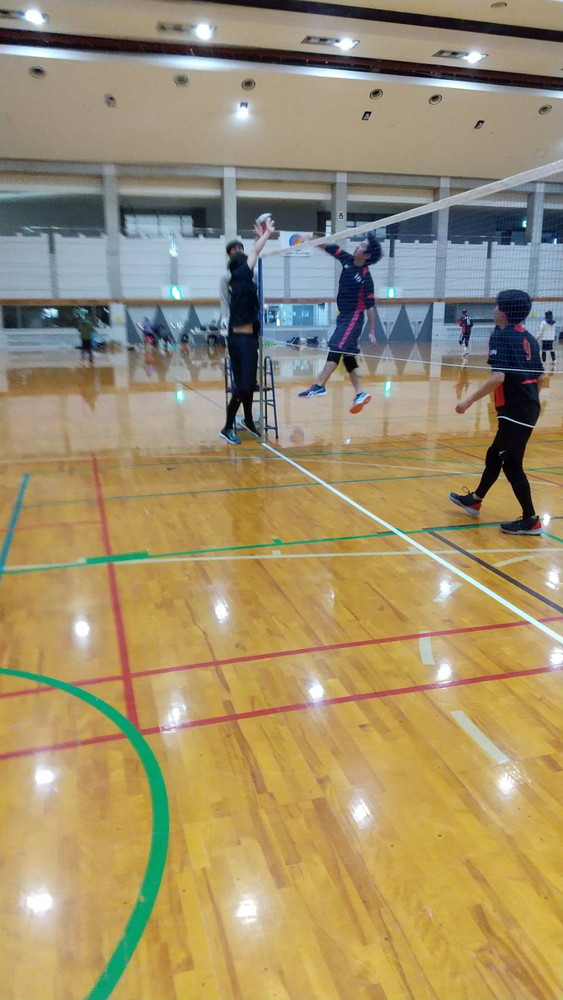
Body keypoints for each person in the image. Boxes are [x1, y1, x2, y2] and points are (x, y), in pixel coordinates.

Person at [449, 289, 544, 535]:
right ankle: (475, 500)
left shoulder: (501, 336)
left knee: (512, 465)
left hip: (516, 410)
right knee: (494, 455)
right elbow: (540, 377)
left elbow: (498, 377)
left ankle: (531, 520)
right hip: (526, 408)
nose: (494, 309)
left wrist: (467, 401)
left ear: (503, 311)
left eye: (496, 305)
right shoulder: (529, 338)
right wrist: (530, 403)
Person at [298, 233, 382, 413]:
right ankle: (360, 393)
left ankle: (319, 385)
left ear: (367, 255)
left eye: (362, 246)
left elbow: (370, 308)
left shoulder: (366, 279)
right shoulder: (347, 259)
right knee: (348, 356)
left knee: (336, 347)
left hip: (353, 317)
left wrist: (372, 331)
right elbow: (329, 247)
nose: (357, 246)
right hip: (343, 316)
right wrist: (312, 238)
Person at [219, 219, 275, 444]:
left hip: (246, 338)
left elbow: (252, 253)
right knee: (243, 387)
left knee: (249, 385)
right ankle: (227, 427)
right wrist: (266, 234)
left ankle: (249, 420)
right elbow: (254, 252)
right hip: (240, 340)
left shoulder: (244, 280)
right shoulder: (239, 276)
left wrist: (258, 238)